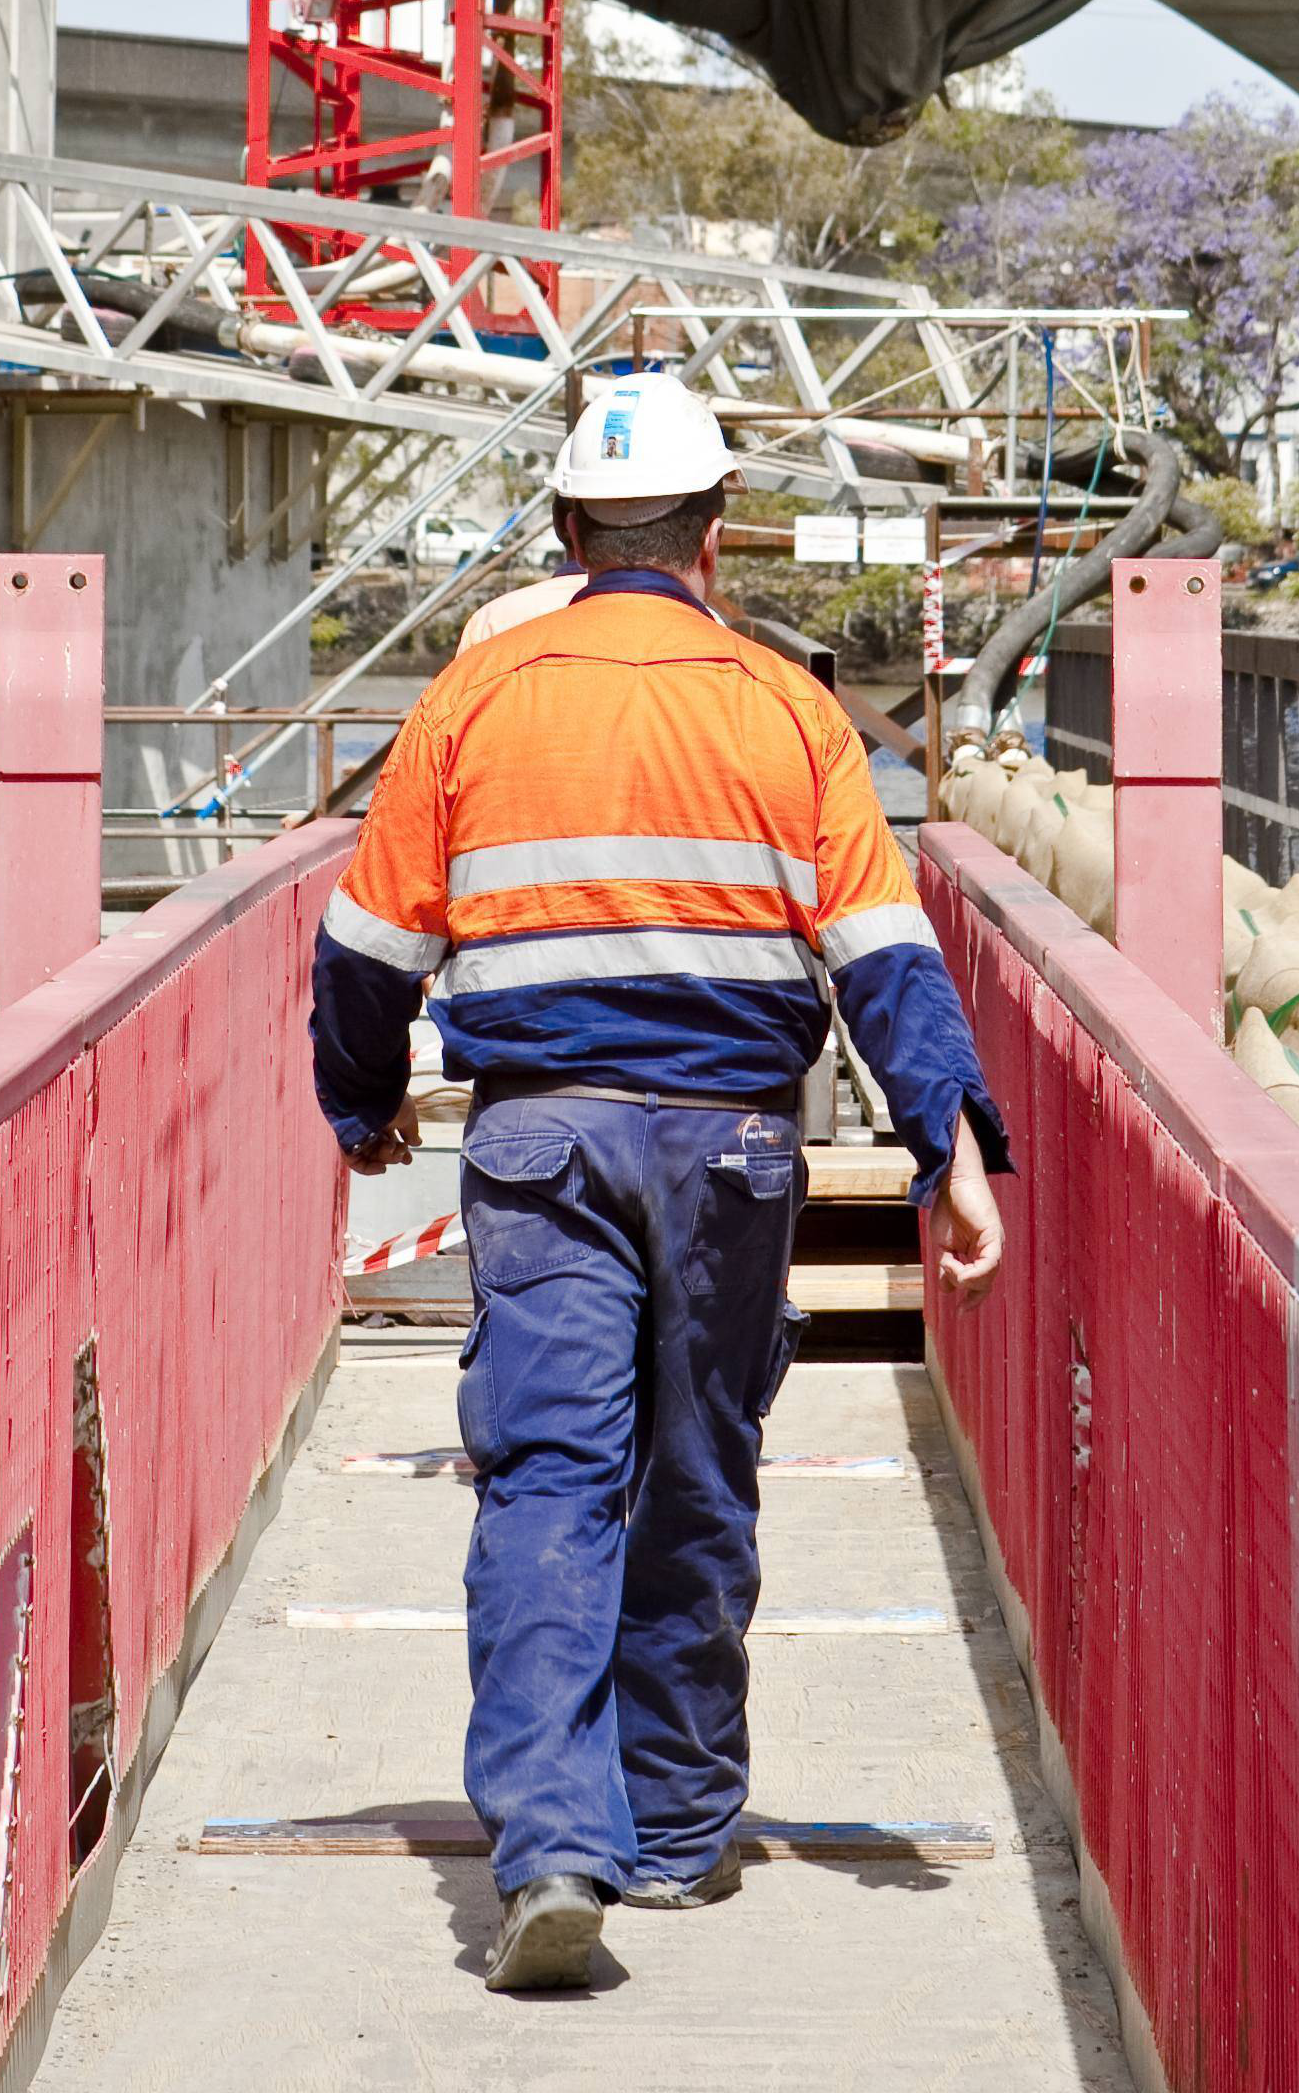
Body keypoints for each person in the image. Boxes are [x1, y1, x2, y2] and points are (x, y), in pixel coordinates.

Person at [309, 373, 1011, 1995]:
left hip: (537, 1137)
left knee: (551, 1477)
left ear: (564, 532)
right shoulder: (784, 709)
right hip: (734, 1148)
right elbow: (883, 953)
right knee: (697, 1471)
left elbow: (363, 949)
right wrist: (945, 1145)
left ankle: (554, 1846)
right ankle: (684, 1829)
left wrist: (359, 1107)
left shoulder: (475, 699)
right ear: (713, 537)